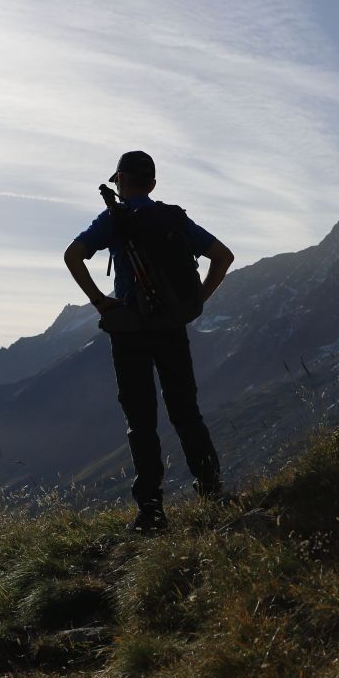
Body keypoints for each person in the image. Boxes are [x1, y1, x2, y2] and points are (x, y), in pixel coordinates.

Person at [63, 150, 235, 532]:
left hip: (128, 331)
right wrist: (196, 302)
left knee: (140, 420)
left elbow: (73, 255)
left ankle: (152, 511)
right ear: (153, 185)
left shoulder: (114, 219)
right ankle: (211, 490)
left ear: (120, 181)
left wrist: (100, 301)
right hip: (171, 328)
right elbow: (223, 256)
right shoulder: (174, 219)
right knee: (185, 411)